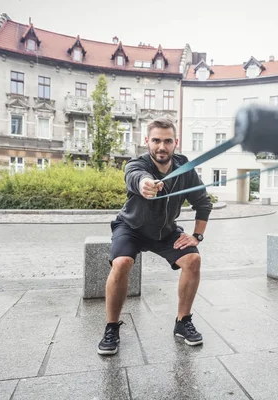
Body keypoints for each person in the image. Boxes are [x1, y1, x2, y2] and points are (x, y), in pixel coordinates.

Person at [98, 117, 213, 355]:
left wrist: (197, 236)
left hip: (165, 231)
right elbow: (135, 177)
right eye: (156, 140)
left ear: (175, 142)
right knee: (121, 263)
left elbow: (203, 203)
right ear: (147, 141)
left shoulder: (185, 168)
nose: (162, 146)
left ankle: (183, 322)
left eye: (167, 141)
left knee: (193, 260)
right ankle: (111, 327)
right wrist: (145, 184)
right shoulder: (136, 164)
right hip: (131, 227)